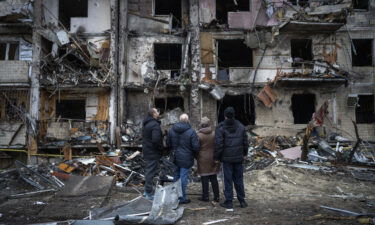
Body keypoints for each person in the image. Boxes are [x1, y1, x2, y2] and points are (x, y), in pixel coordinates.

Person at [214, 107, 249, 209]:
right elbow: (245, 142)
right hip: (238, 158)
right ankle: (242, 201)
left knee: (227, 180)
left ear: (225, 116)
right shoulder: (241, 126)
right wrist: (245, 153)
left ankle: (229, 201)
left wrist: (217, 157)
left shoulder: (220, 127)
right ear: (234, 115)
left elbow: (218, 144)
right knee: (239, 179)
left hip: (226, 159)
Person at [168, 113, 200, 204]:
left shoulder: (171, 130)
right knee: (183, 177)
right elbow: (196, 147)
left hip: (175, 156)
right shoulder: (191, 131)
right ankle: (182, 198)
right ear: (187, 120)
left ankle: (174, 196)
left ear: (179, 119)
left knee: (176, 176)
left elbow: (168, 143)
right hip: (186, 157)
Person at [197, 117, 220, 202]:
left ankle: (205, 196)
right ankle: (216, 196)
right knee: (213, 176)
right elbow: (218, 145)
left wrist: (197, 156)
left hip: (202, 157)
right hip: (213, 156)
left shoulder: (198, 135)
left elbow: (196, 147)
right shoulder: (214, 134)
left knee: (204, 177)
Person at [142, 108, 162, 200]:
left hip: (147, 150)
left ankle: (148, 191)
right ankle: (148, 193)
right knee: (150, 172)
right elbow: (155, 140)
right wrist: (160, 148)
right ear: (154, 114)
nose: (158, 112)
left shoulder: (147, 124)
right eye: (157, 111)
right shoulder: (154, 125)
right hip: (153, 152)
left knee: (149, 171)